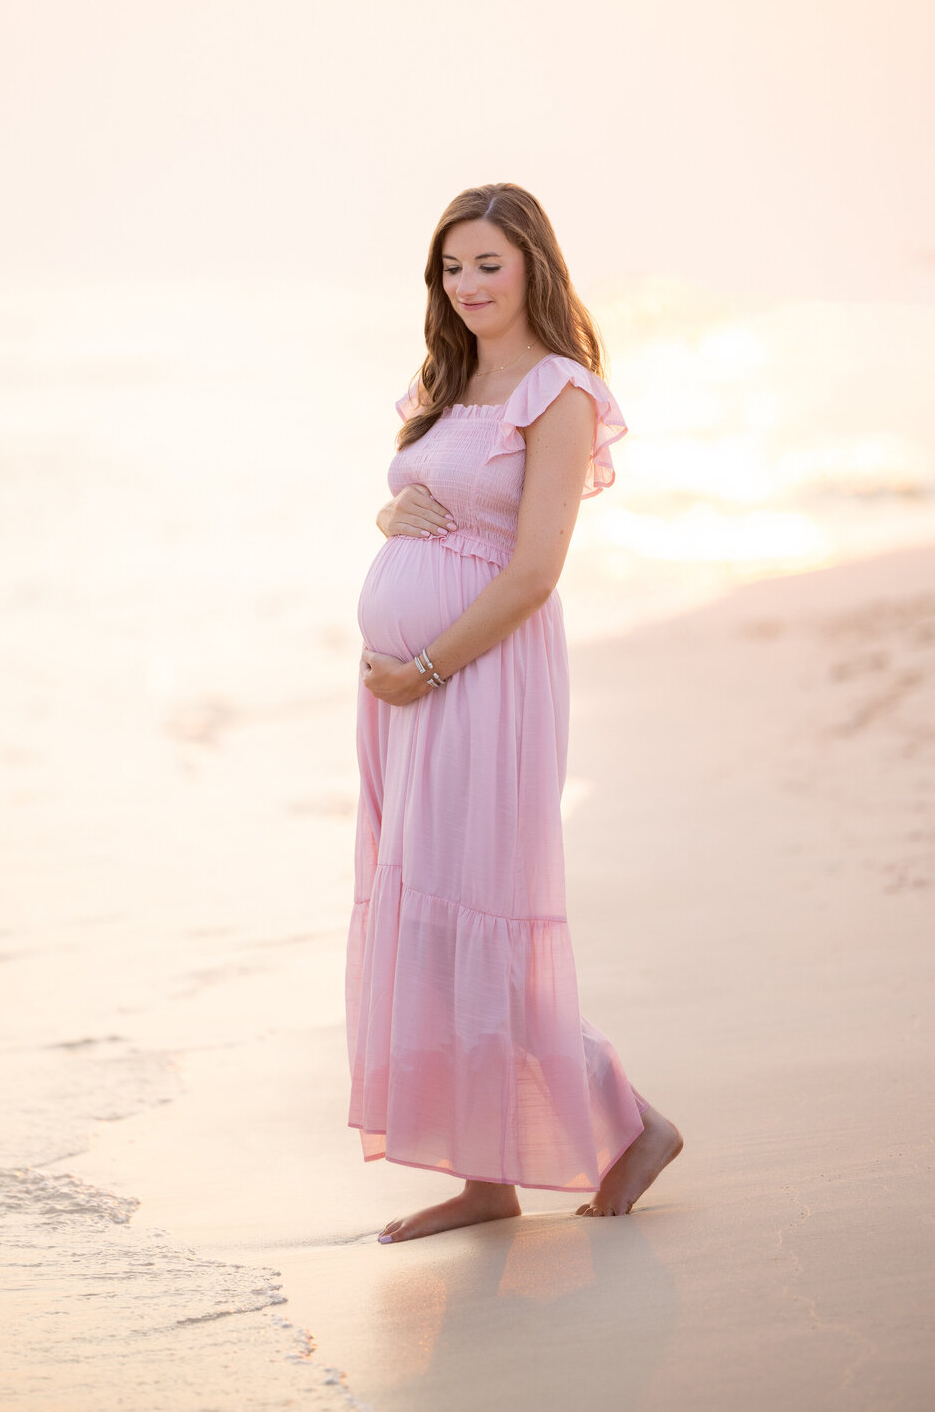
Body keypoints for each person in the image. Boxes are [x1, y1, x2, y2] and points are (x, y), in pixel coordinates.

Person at [348, 183, 682, 1243]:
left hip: (478, 678)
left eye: (487, 262)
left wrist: (429, 665)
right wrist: (387, 512)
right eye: (452, 268)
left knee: (477, 913)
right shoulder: (447, 379)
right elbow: (432, 494)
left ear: (533, 261)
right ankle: (486, 1174)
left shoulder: (558, 389)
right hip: (413, 692)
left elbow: (534, 568)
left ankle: (630, 1122)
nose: (468, 285)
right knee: (430, 923)